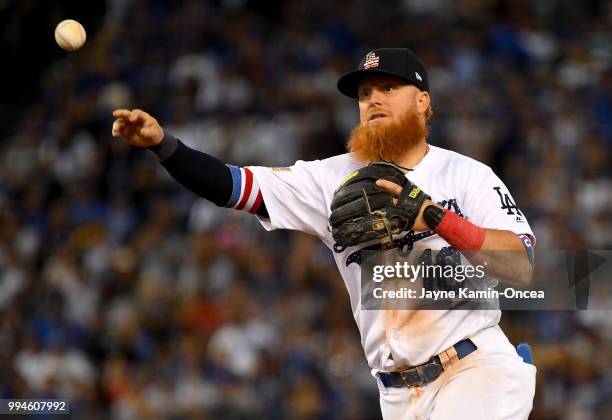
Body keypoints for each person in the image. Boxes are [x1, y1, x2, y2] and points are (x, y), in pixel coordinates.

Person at [112, 48, 537, 419]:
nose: (373, 100)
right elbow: (233, 186)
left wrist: (436, 218)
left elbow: (521, 266)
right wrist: (163, 145)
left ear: (423, 102)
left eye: (388, 88)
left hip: (473, 370)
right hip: (396, 395)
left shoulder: (465, 175)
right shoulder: (331, 177)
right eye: (365, 94)